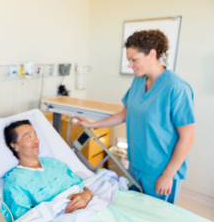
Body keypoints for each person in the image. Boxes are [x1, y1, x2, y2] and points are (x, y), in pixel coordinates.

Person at [74, 29, 195, 204]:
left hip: (161, 168)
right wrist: (92, 125)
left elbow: (188, 137)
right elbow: (124, 114)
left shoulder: (176, 87)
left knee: (156, 219)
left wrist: (168, 175)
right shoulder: (139, 81)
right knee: (136, 211)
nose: (130, 65)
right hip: (137, 163)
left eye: (134, 59)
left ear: (152, 54)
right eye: (129, 60)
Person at [0, 120, 93, 222]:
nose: (36, 140)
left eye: (35, 135)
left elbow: (82, 186)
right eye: (28, 137)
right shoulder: (16, 180)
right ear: (15, 146)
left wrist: (86, 195)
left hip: (90, 208)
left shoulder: (53, 162)